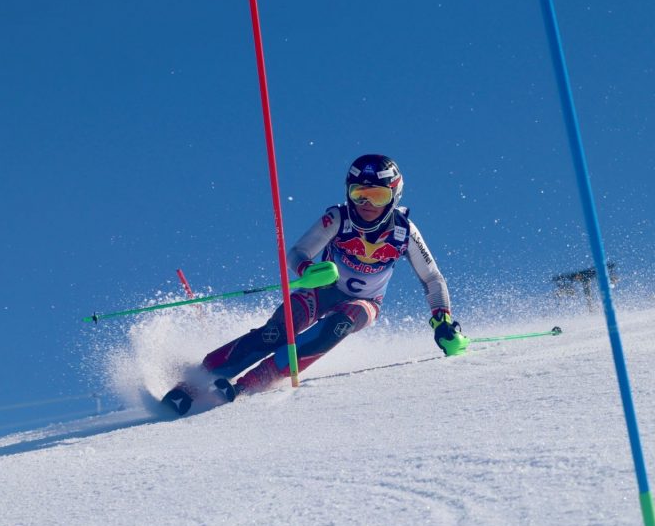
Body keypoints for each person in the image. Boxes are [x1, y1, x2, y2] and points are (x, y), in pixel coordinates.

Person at [162, 154, 468, 415]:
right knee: (277, 332)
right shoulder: (338, 218)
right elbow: (296, 253)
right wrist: (308, 268)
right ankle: (196, 381)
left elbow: (432, 278)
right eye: (360, 193)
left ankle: (246, 385)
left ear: (394, 196)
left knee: (339, 326)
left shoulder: (404, 231)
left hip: (365, 302)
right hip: (320, 289)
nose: (367, 204)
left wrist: (442, 320)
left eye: (378, 196)